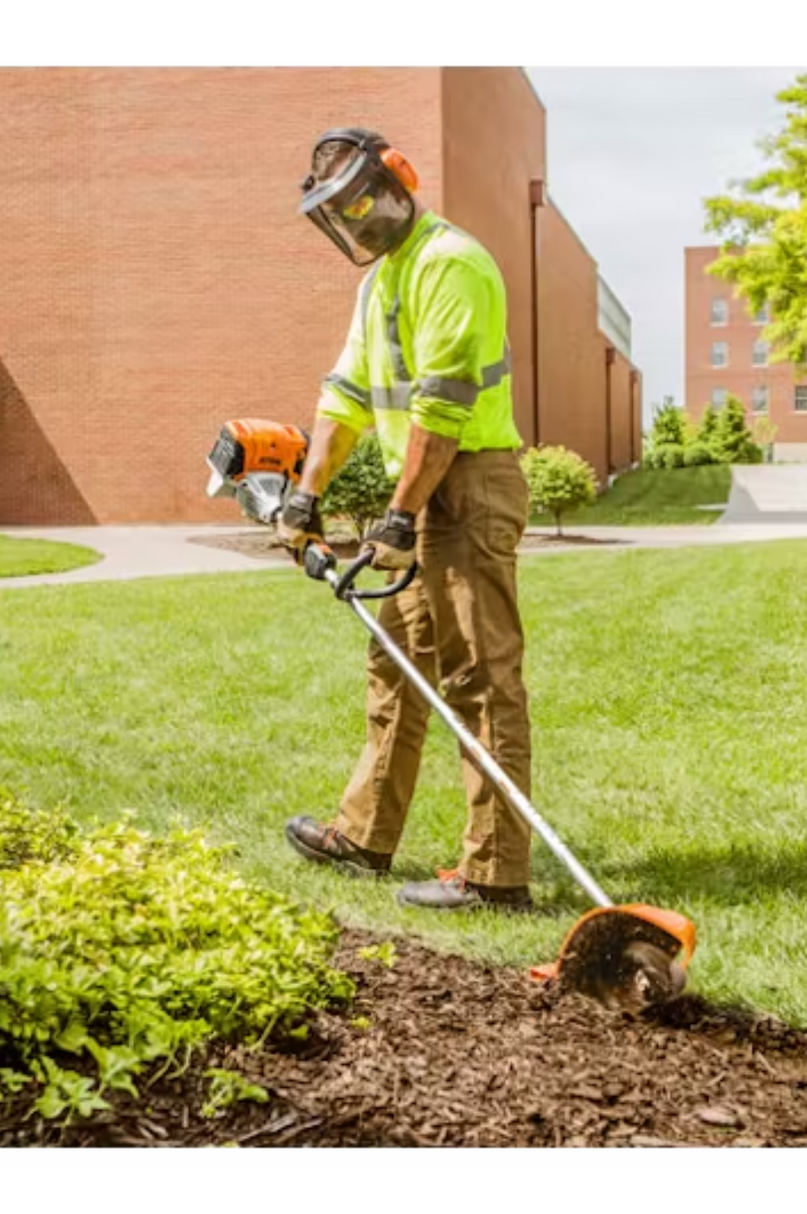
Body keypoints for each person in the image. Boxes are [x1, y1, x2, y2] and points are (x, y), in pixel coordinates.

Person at [277, 128, 533, 912]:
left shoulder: (451, 263)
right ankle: (364, 838)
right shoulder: (382, 281)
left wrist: (396, 519)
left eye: (362, 202)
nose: (355, 221)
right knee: (396, 664)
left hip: (467, 485)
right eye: (341, 213)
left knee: (479, 676)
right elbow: (346, 395)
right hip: (419, 491)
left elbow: (442, 408)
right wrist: (304, 496)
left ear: (398, 181)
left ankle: (496, 874)